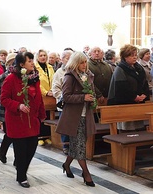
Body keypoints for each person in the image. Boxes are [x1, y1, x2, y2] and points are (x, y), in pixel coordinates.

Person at [1, 52, 46, 188]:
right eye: (29, 61)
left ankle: (21, 170)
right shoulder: (11, 79)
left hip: (32, 119)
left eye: (32, 60)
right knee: (21, 151)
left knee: (31, 149)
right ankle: (21, 176)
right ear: (21, 64)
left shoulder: (35, 78)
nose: (32, 62)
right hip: (17, 120)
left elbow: (38, 97)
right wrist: (18, 105)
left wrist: (41, 114)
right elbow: (3, 99)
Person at [55, 51, 96, 187]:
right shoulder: (70, 76)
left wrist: (92, 99)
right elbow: (66, 97)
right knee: (80, 147)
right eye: (81, 62)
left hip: (86, 115)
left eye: (85, 62)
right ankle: (86, 173)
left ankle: (66, 165)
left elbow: (92, 92)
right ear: (75, 63)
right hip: (74, 116)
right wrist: (82, 98)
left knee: (77, 145)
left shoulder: (88, 75)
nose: (84, 65)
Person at [108, 44, 150, 132]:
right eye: (131, 55)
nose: (134, 57)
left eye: (135, 55)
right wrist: (134, 97)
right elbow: (121, 88)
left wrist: (144, 95)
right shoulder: (120, 69)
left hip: (138, 103)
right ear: (125, 57)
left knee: (139, 128)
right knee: (128, 130)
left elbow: (144, 83)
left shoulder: (139, 68)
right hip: (125, 104)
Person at [0, 52, 17, 164]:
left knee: (18, 135)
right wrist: (6, 99)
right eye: (12, 63)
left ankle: (18, 159)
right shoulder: (2, 77)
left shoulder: (22, 77)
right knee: (9, 134)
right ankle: (2, 150)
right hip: (6, 110)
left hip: (18, 110)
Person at [52, 49, 73, 155]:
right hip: (64, 104)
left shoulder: (76, 71)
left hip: (75, 104)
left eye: (71, 58)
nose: (69, 60)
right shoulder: (59, 73)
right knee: (65, 125)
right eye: (67, 58)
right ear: (62, 59)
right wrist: (65, 98)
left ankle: (74, 145)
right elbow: (56, 89)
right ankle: (66, 145)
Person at [35, 49, 54, 145]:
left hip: (50, 95)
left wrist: (52, 90)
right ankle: (40, 137)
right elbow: (37, 83)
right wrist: (46, 92)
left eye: (44, 55)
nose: (43, 57)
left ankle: (47, 136)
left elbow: (53, 80)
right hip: (41, 95)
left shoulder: (50, 67)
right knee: (40, 116)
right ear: (37, 57)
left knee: (48, 115)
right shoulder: (35, 68)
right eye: (41, 55)